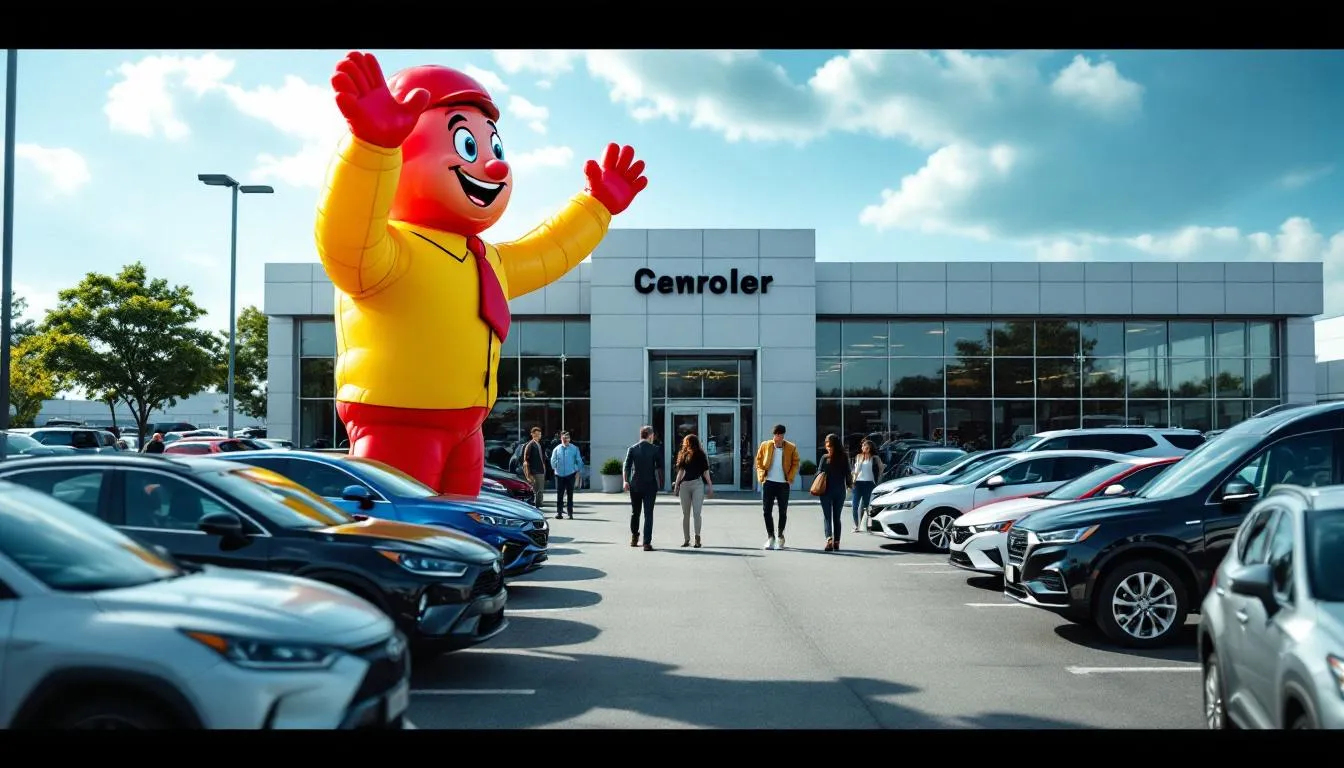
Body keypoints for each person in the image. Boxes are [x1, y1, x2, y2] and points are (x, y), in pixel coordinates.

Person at [314, 50, 649, 497]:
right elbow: (344, 237)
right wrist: (371, 148)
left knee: (458, 537)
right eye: (467, 144)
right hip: (398, 421)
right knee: (400, 534)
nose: (493, 166)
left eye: (493, 146)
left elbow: (549, 250)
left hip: (467, 426)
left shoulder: (486, 259)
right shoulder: (388, 252)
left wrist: (596, 206)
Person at [754, 424, 799, 550]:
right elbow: (758, 461)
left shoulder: (791, 447)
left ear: (783, 435)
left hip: (783, 484)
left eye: (779, 435)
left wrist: (790, 477)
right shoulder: (765, 445)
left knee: (782, 511)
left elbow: (796, 462)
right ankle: (770, 537)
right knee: (766, 511)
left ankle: (780, 536)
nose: (777, 437)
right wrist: (761, 476)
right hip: (769, 482)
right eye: (775, 435)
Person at [624, 425, 664, 551]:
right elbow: (660, 468)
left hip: (635, 485)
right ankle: (646, 543)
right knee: (648, 514)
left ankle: (634, 538)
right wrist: (661, 482)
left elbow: (626, 466)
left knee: (635, 512)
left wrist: (625, 481)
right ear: (650, 435)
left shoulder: (632, 449)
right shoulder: (655, 449)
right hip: (650, 485)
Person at [673, 433, 712, 548]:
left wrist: (710, 485)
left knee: (696, 513)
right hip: (684, 485)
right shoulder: (683, 454)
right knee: (685, 514)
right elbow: (680, 472)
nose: (686, 444)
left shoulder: (701, 455)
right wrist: (676, 486)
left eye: (687, 442)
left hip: (697, 485)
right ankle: (686, 539)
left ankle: (697, 538)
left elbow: (705, 471)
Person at [817, 433, 853, 552]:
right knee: (834, 517)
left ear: (834, 445)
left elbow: (818, 473)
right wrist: (849, 485)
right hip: (837, 491)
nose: (827, 447)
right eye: (826, 444)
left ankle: (831, 541)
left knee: (830, 517)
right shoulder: (843, 457)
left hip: (828, 491)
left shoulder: (825, 458)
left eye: (829, 444)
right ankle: (833, 541)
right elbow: (848, 473)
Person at [851, 438, 884, 533]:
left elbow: (881, 469)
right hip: (858, 483)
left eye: (864, 446)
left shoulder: (875, 458)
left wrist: (878, 481)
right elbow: (855, 471)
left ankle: (869, 526)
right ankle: (856, 526)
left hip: (869, 484)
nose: (862, 447)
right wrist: (852, 482)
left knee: (868, 506)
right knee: (855, 505)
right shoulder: (859, 457)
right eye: (862, 446)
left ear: (869, 447)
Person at [550, 431, 584, 520]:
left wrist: (576, 469)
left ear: (569, 439)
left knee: (570, 494)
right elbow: (552, 460)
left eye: (567, 438)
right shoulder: (557, 449)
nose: (565, 440)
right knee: (559, 495)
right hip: (559, 475)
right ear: (561, 439)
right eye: (563, 438)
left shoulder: (574, 448)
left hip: (570, 474)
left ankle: (570, 513)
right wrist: (555, 466)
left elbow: (579, 461)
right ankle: (559, 513)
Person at [522, 427, 546, 507]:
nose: (538, 436)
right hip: (535, 471)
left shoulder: (539, 444)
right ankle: (537, 505)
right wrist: (528, 474)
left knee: (540, 490)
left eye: (539, 434)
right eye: (536, 434)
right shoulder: (530, 445)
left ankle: (538, 505)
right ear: (532, 434)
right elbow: (526, 461)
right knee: (537, 491)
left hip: (540, 470)